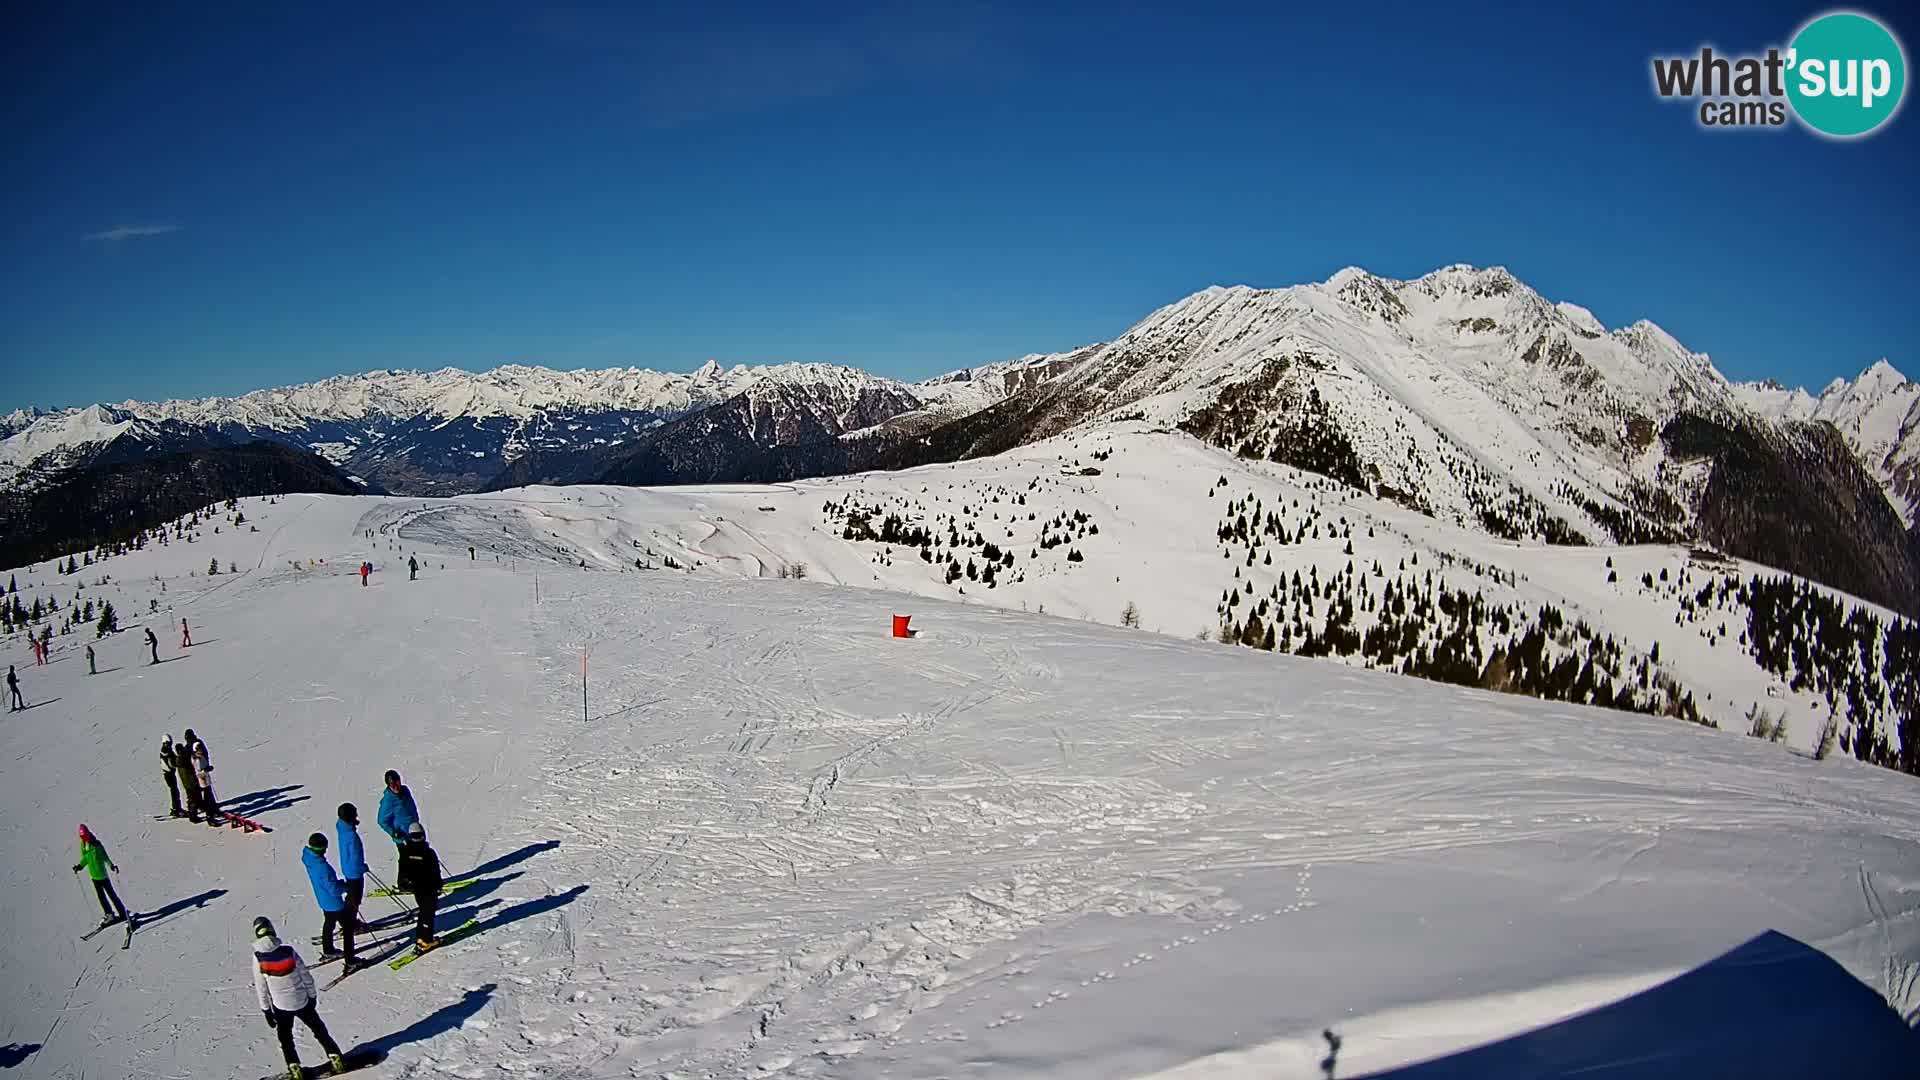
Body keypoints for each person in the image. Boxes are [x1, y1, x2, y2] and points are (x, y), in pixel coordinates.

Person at [250, 916, 347, 1080]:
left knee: (285, 1038)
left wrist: (266, 1009)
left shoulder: (258, 958)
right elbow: (305, 975)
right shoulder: (288, 952)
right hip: (301, 1000)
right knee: (319, 1030)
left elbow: (261, 987)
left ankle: (294, 1066)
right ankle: (335, 1056)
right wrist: (312, 996)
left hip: (281, 1006)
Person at [301, 834, 357, 967]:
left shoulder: (309, 859)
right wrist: (345, 887)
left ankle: (328, 950)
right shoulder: (322, 867)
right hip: (334, 902)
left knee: (329, 922)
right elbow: (334, 890)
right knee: (348, 927)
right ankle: (349, 960)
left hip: (323, 898)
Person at [395, 822, 442, 952]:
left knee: (423, 911)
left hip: (416, 888)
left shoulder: (406, 851)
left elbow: (402, 869)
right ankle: (426, 941)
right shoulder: (428, 852)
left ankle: (421, 937)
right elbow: (435, 871)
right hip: (429, 888)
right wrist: (439, 885)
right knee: (428, 913)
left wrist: (403, 884)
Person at [73, 824, 131, 927]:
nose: (85, 839)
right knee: (101, 897)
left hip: (102, 875)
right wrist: (79, 866)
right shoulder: (84, 845)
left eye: (86, 836)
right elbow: (86, 858)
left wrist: (111, 865)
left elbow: (105, 856)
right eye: (83, 837)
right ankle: (109, 914)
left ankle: (122, 913)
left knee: (111, 894)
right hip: (94, 876)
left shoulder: (96, 845)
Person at [335, 804, 368, 934]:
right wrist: (362, 868)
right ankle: (350, 924)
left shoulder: (343, 828)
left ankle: (348, 921)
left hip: (348, 868)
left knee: (351, 898)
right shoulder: (351, 836)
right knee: (354, 899)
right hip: (355, 872)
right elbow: (355, 856)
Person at [376, 770, 420, 847]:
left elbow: (412, 808)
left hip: (415, 832)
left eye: (397, 783)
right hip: (403, 839)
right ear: (388, 785)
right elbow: (381, 821)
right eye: (392, 785)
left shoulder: (405, 791)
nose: (396, 787)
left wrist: (416, 822)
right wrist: (394, 832)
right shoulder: (388, 800)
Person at [173, 731, 203, 822]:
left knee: (192, 798)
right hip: (190, 782)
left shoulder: (179, 759)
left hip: (187, 783)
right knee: (192, 799)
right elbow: (190, 769)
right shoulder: (183, 760)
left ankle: (194, 812)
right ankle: (193, 816)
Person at [192, 739, 220, 827]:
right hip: (203, 783)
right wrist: (206, 770)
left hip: (206, 781)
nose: (201, 750)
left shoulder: (201, 757)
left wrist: (208, 768)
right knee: (207, 800)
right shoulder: (197, 760)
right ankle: (210, 818)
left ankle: (212, 814)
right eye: (199, 749)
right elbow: (198, 773)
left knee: (209, 799)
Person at [160, 735, 185, 818]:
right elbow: (171, 763)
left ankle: (176, 808)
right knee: (174, 791)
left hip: (168, 773)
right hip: (169, 774)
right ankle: (176, 809)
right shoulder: (167, 751)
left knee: (174, 790)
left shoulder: (166, 750)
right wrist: (177, 762)